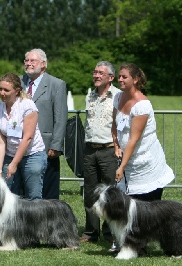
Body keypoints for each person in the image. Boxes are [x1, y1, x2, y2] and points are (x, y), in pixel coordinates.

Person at [0, 73, 47, 247]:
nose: (2, 93)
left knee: (33, 198)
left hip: (32, 154)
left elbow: (27, 138)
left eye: (6, 90)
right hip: (10, 153)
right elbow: (0, 141)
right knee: (4, 197)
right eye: (0, 89)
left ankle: (33, 237)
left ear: (17, 91)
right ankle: (0, 236)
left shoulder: (28, 106)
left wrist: (14, 163)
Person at [112, 63, 175, 201]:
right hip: (127, 160)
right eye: (119, 76)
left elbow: (133, 139)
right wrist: (116, 145)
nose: (120, 79)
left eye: (124, 77)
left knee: (149, 211)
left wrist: (121, 166)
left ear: (135, 79)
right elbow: (114, 125)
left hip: (145, 162)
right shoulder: (118, 97)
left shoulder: (142, 105)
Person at [80, 61, 121, 244]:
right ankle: (90, 233)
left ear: (110, 77)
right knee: (89, 193)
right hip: (90, 150)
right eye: (94, 72)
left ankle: (111, 233)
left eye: (100, 73)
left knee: (111, 193)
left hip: (109, 150)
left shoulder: (119, 96)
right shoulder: (90, 96)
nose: (96, 75)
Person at [19, 48, 68, 199]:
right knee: (22, 191)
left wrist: (56, 145)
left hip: (46, 147)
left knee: (47, 193)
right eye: (26, 61)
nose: (28, 64)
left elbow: (60, 117)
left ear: (43, 64)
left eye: (32, 61)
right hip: (20, 144)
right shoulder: (18, 82)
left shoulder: (56, 84)